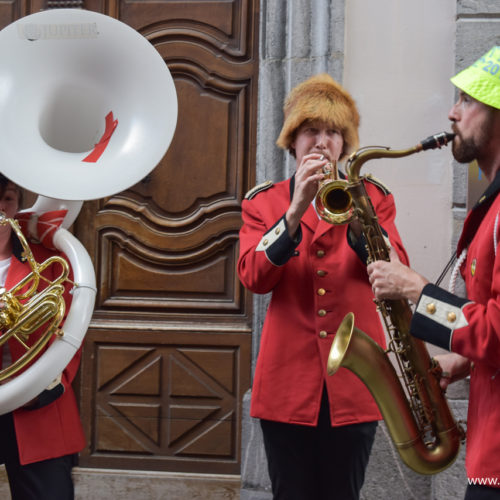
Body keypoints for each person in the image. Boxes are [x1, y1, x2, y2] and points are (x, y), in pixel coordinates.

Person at [237, 74, 409, 500]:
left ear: (345, 144)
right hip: (287, 385)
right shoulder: (263, 203)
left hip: (355, 381)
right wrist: (295, 211)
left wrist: (358, 217)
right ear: (292, 141)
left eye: (333, 132)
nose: (321, 141)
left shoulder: (374, 198)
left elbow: (398, 272)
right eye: (311, 130)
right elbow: (253, 277)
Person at [367, 46, 500, 500]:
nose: (452, 112)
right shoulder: (492, 203)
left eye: (468, 100)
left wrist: (420, 292)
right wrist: (458, 362)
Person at [0, 174, 85, 500]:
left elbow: (71, 333)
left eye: (8, 199)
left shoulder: (50, 260)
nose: (1, 209)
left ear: (19, 202)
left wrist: (44, 388)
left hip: (37, 407)